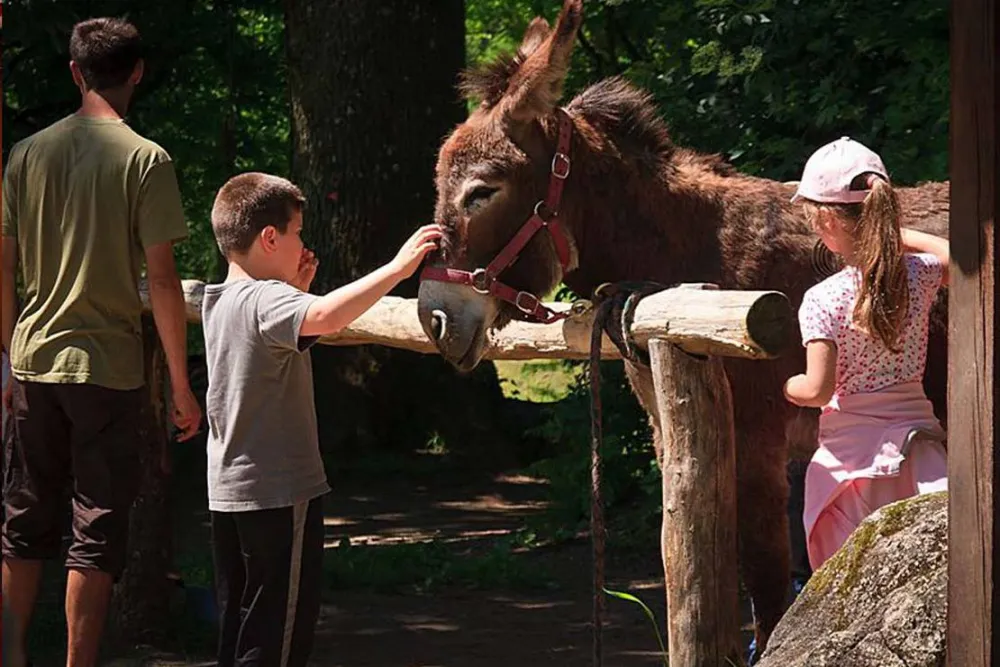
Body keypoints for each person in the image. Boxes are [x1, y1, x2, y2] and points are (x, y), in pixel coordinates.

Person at [1, 17, 201, 666]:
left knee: (24, 525)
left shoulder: (26, 154)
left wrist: (8, 356)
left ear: (75, 72)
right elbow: (163, 280)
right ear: (137, 72)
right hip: (109, 371)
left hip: (32, 362)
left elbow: (2, 265)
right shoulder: (146, 159)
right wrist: (180, 384)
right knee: (95, 530)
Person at [203, 172, 441, 666]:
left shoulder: (217, 300)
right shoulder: (267, 299)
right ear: (270, 238)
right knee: (278, 635)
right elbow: (329, 316)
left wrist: (296, 290)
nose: (303, 244)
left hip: (229, 493)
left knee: (242, 623)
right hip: (278, 491)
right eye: (298, 233)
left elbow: (277, 346)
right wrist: (398, 269)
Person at [783, 137, 949, 571]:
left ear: (824, 221)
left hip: (852, 471)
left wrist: (788, 386)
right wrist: (893, 235)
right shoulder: (919, 276)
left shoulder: (822, 299)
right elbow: (959, 259)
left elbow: (818, 391)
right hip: (922, 457)